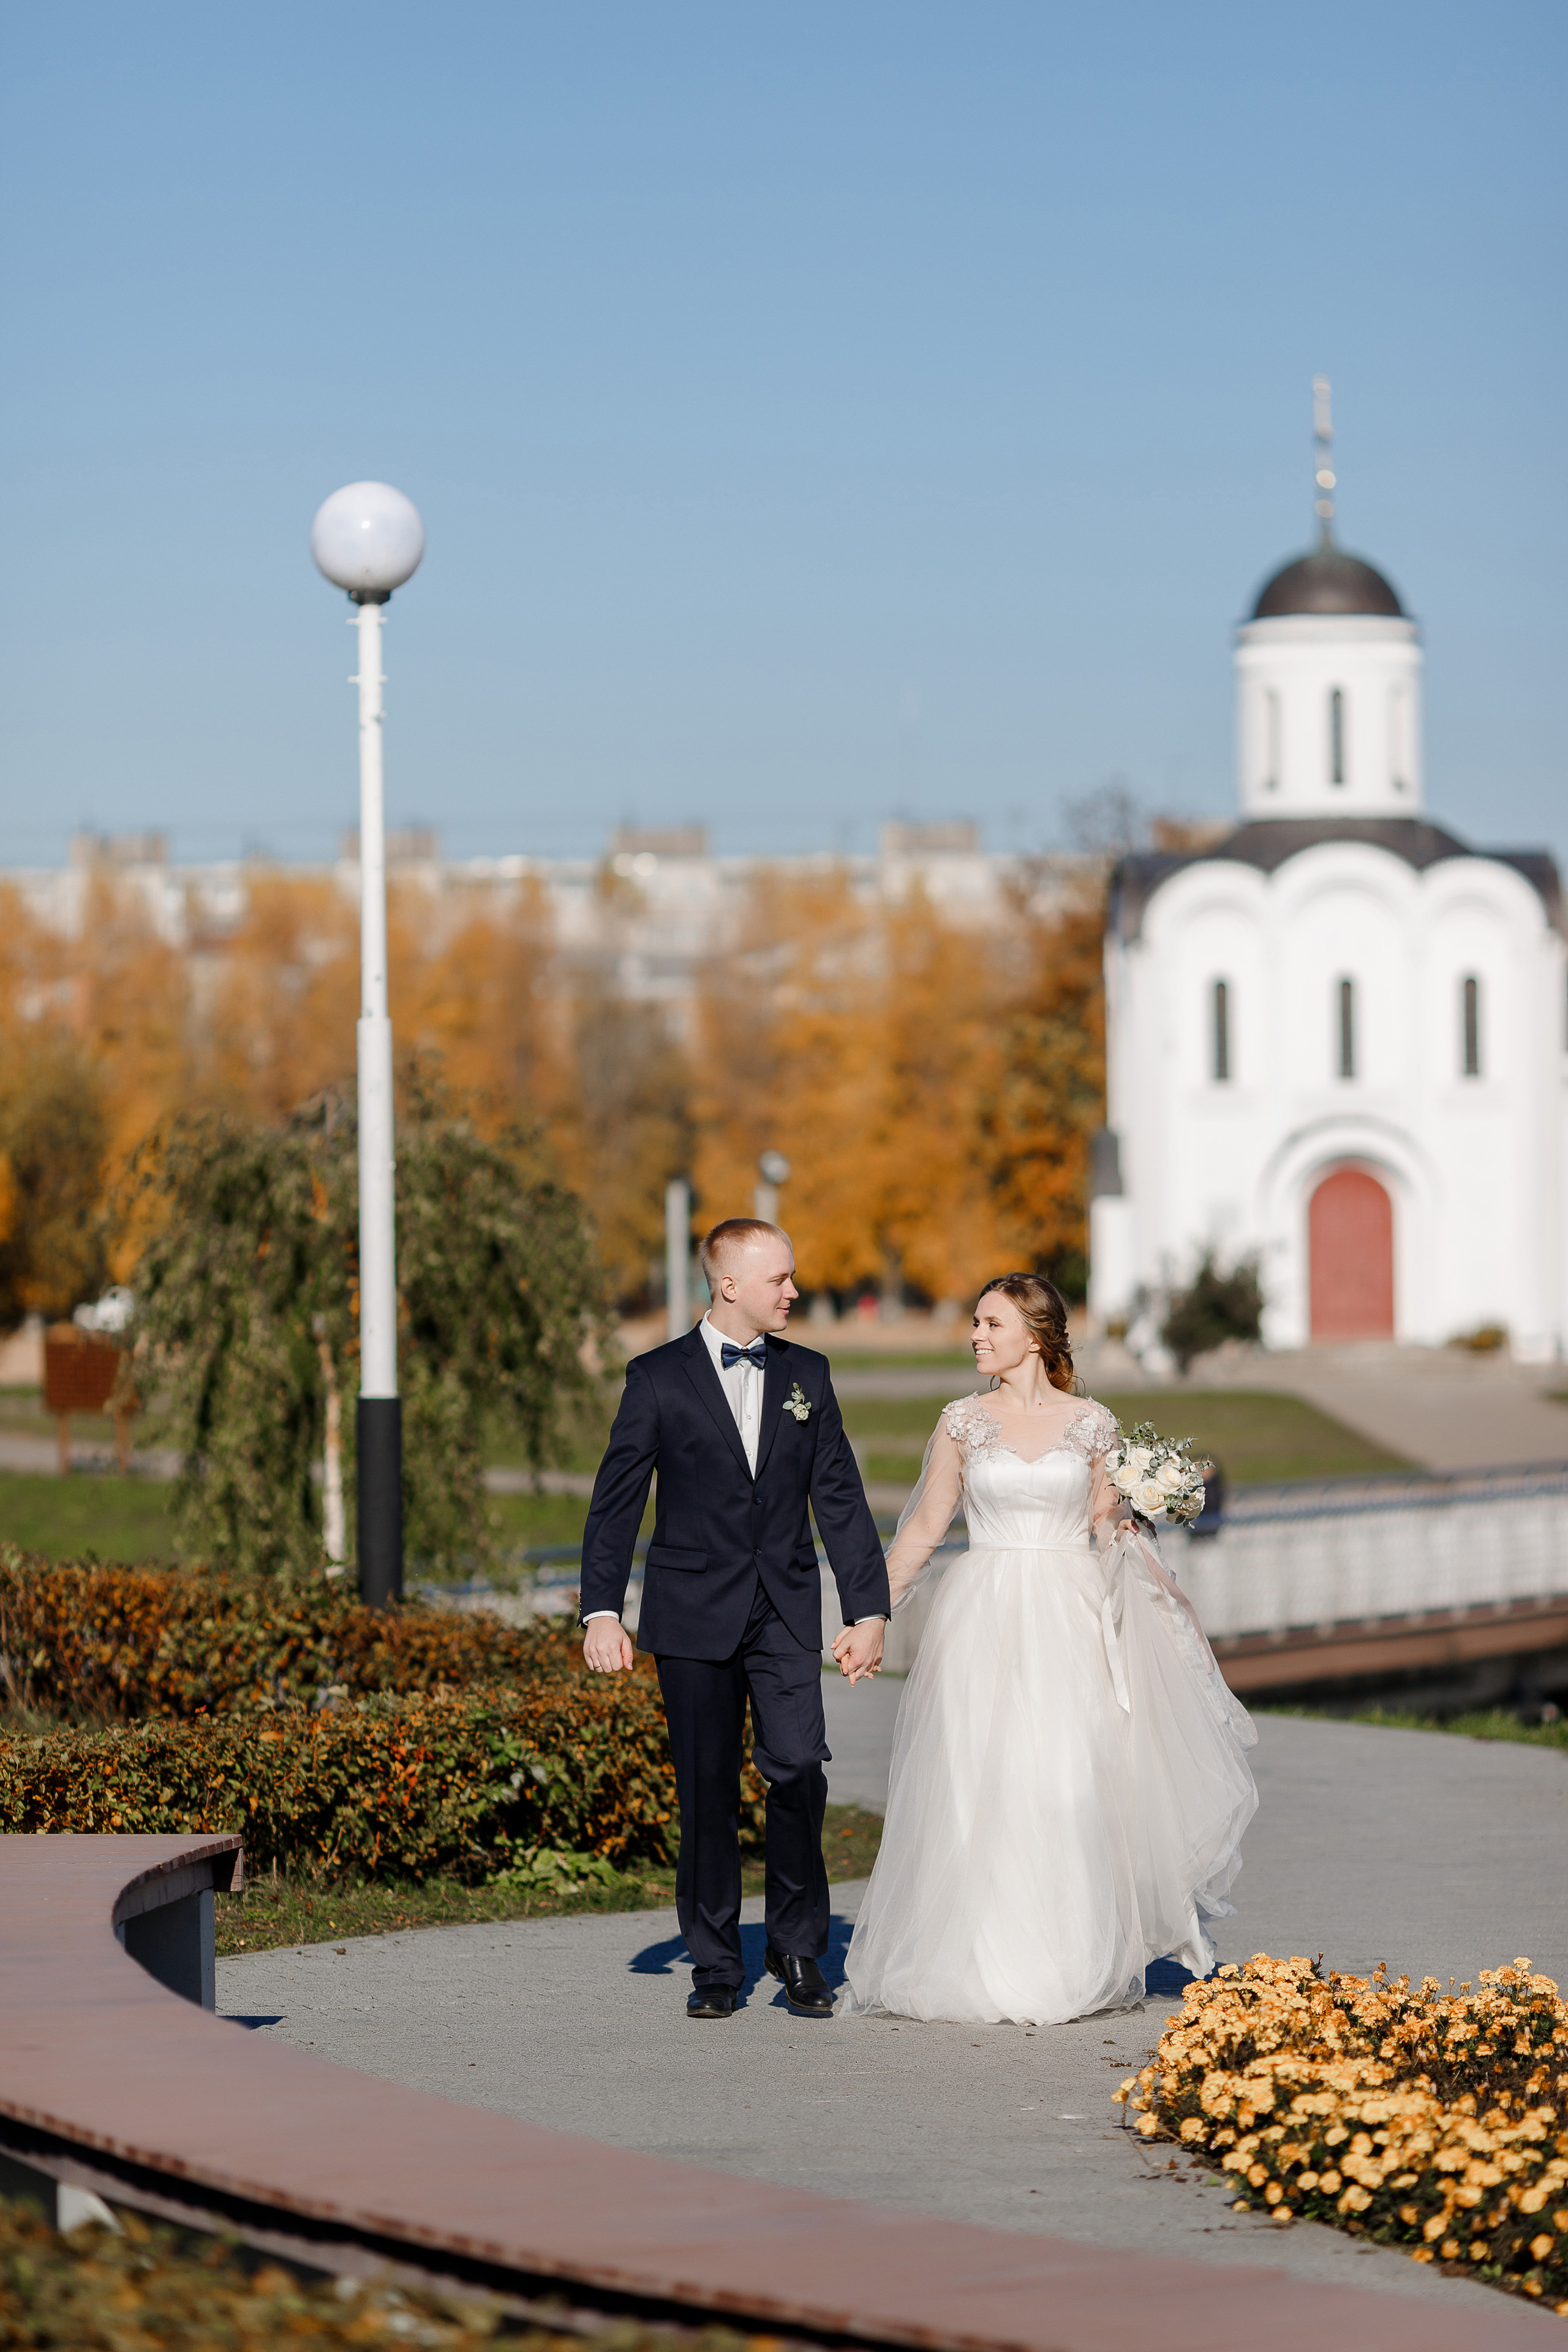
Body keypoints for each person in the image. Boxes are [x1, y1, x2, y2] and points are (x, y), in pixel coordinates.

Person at [839, 1272, 1257, 2026]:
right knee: (981, 1776)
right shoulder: (962, 1422)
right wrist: (872, 1615)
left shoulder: (1093, 1423)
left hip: (1071, 1613)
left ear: (1033, 1335)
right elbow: (923, 1531)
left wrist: (1134, 1522)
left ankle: (1065, 1959)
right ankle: (979, 1960)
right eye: (974, 1323)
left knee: (1067, 1779)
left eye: (990, 1324)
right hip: (983, 1615)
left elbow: (1103, 1521)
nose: (975, 1335)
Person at [580, 1219, 889, 2021]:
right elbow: (616, 1505)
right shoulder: (656, 1379)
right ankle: (716, 1962)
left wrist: (868, 1611)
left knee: (798, 1773)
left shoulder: (808, 1376)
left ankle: (796, 1948)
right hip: (690, 1617)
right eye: (779, 1280)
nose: (794, 1291)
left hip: (785, 1611)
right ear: (728, 1286)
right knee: (707, 1793)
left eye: (792, 1277)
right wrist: (602, 1611)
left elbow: (843, 1501)